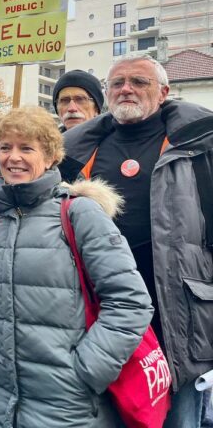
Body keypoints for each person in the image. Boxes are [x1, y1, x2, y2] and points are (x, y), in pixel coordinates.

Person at [0, 106, 154, 427]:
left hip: (69, 405)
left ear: (50, 157)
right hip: (6, 405)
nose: (13, 157)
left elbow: (131, 303)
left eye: (27, 148)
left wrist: (86, 371)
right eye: (5, 147)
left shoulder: (80, 214)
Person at [60, 55, 213, 427]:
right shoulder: (75, 151)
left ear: (163, 92)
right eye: (117, 82)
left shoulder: (199, 144)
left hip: (178, 312)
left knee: (179, 419)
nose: (126, 88)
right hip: (105, 314)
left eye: (139, 82)